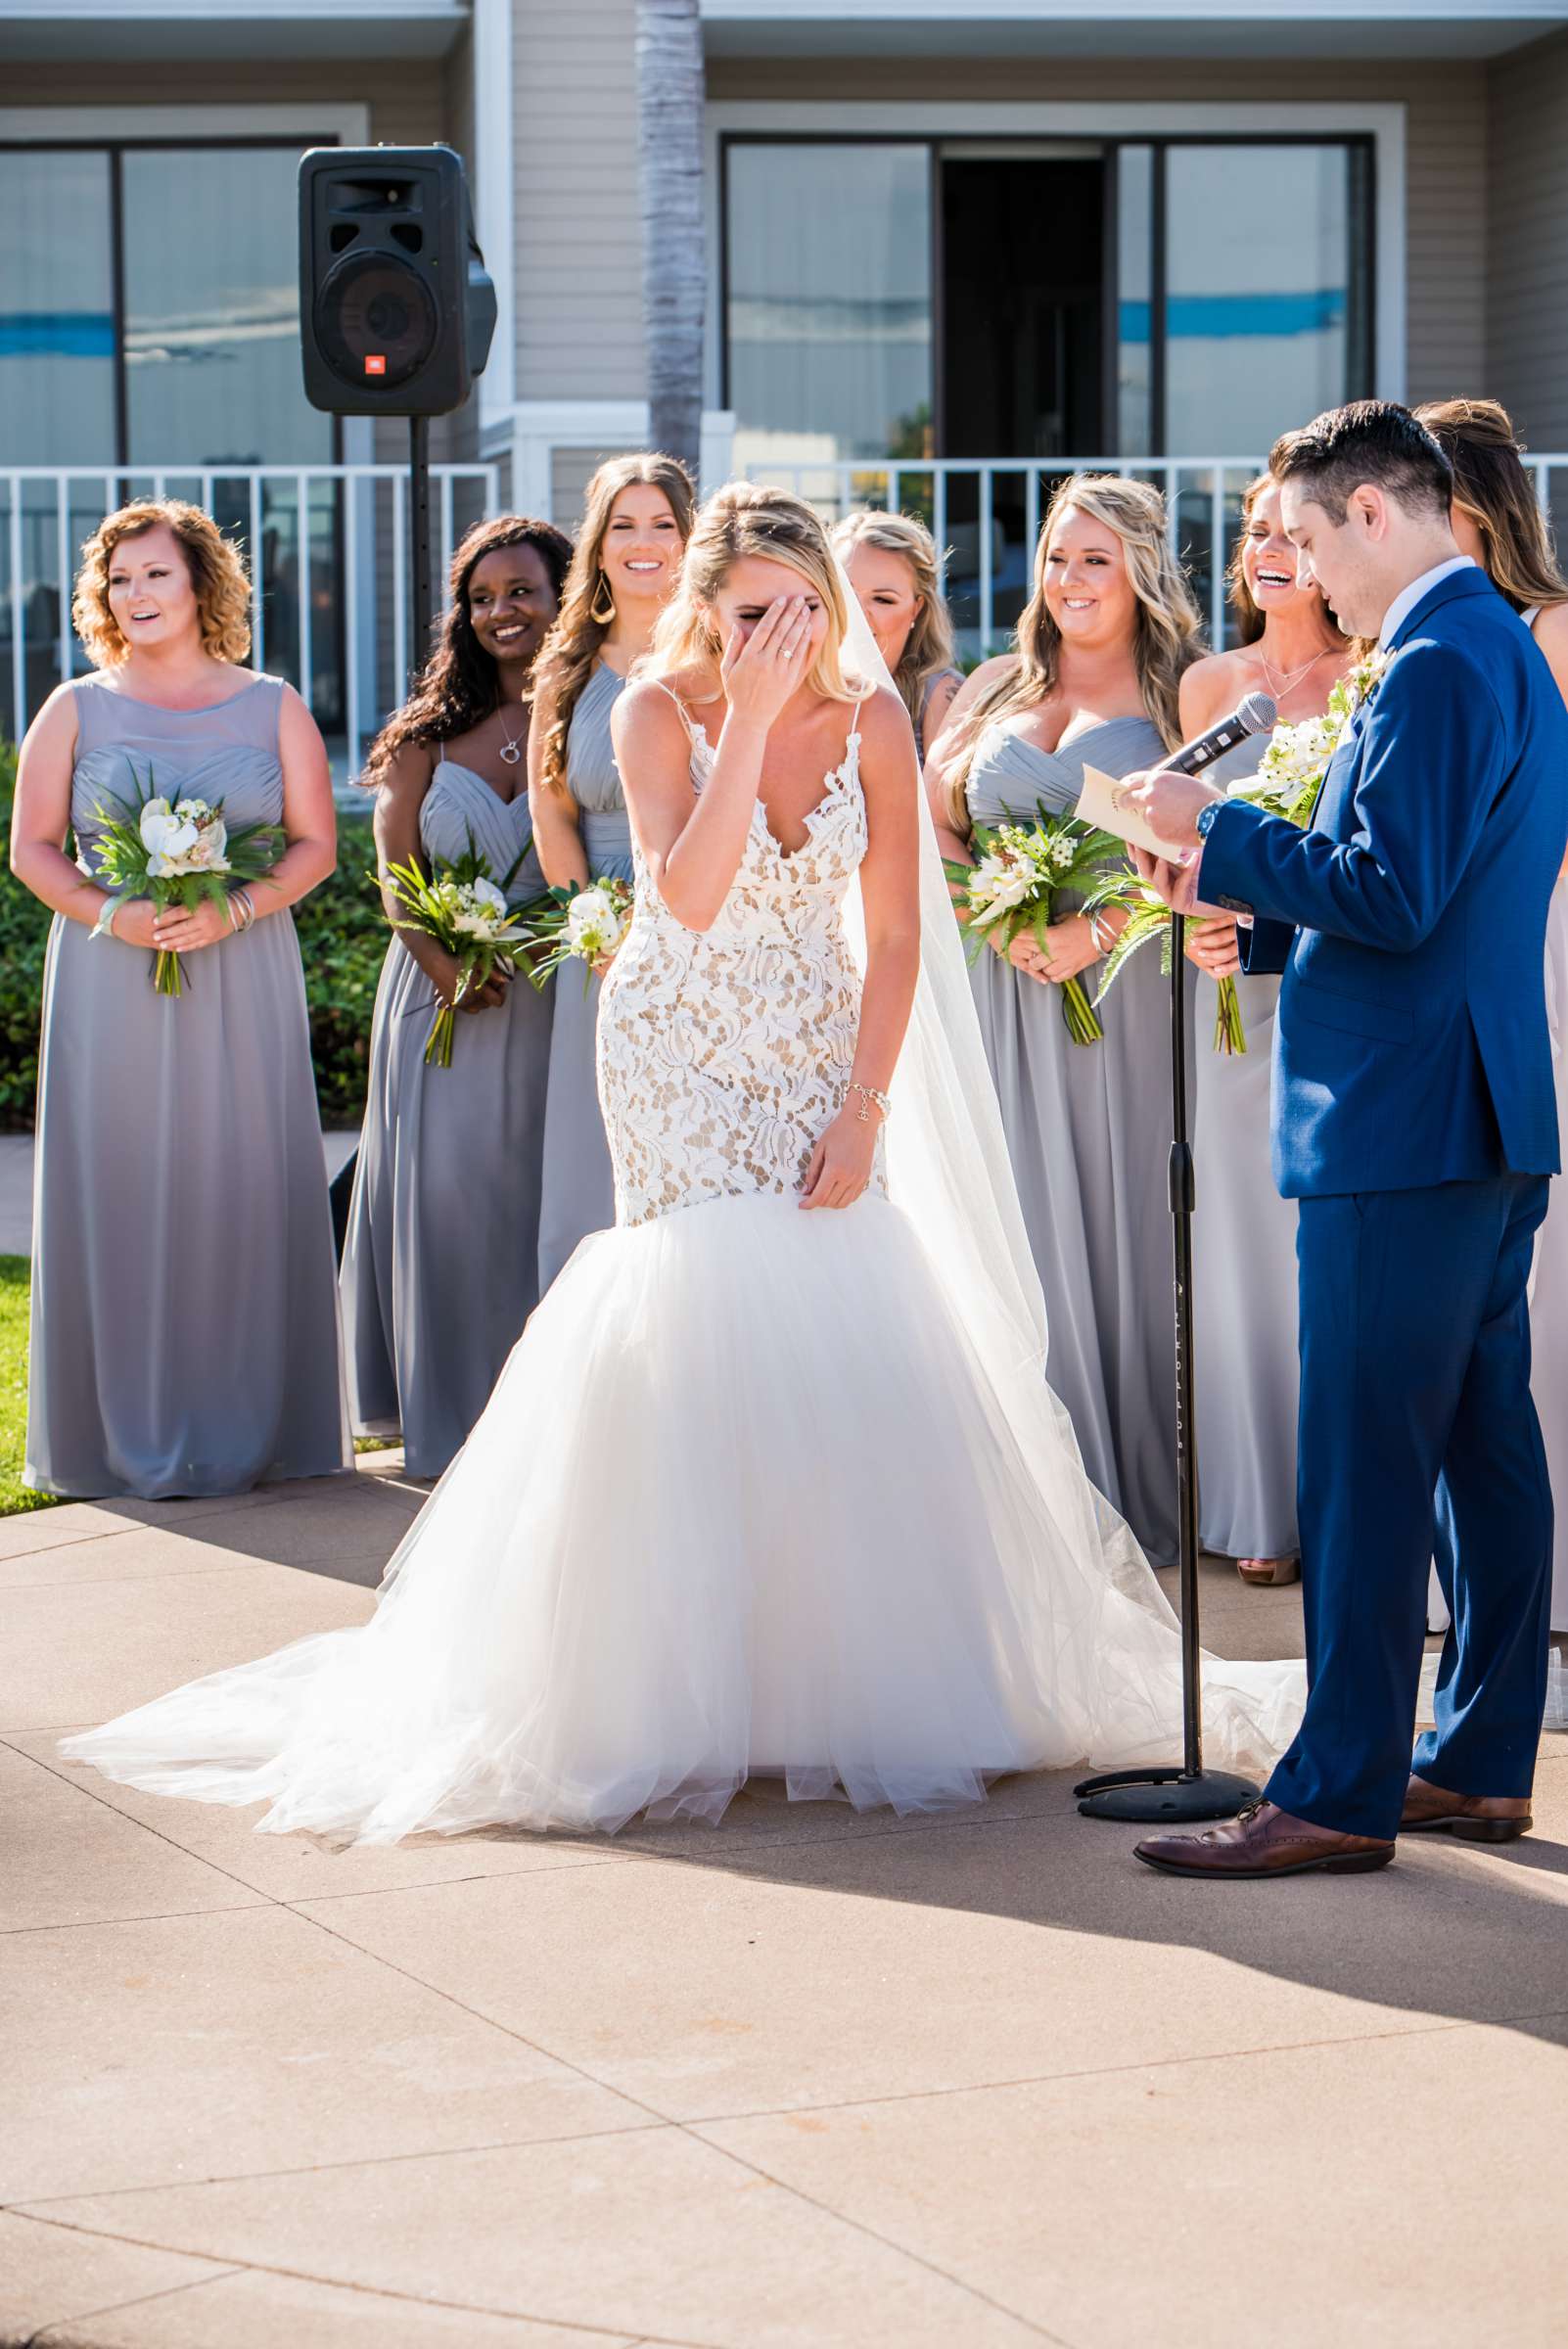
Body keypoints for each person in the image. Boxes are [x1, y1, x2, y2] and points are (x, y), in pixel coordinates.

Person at [58, 482, 1298, 1846]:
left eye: (808, 612)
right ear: (707, 606)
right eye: (758, 612)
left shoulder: (877, 717)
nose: (786, 636)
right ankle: (672, 1679)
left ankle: (828, 1667)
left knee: (837, 1305)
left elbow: (893, 938)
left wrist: (867, 1106)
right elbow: (689, 902)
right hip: (677, 1048)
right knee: (699, 1308)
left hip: (822, 1037)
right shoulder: (652, 712)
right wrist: (748, 726)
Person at [1127, 400, 1568, 1878]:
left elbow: (1389, 891)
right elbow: (1423, 895)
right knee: (1475, 1445)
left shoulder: (1440, 656)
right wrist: (1251, 921)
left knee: (1364, 1467)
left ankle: (1331, 1791)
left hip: (1405, 1117)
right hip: (1472, 1100)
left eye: (1308, 539)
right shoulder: (1487, 642)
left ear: (1370, 514)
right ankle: (1476, 1760)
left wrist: (1215, 828)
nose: (1302, 571)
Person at [12, 499, 347, 1498]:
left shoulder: (274, 704)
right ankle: (119, 1432)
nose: (136, 594)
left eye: (156, 574)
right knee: (119, 1183)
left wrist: (233, 912)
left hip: (239, 969)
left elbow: (316, 846)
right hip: (112, 973)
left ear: (202, 584)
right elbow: (31, 848)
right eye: (120, 580)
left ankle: (252, 1422)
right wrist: (111, 917)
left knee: (237, 1183)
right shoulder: (73, 706)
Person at [925, 475, 1203, 1568]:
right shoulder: (993, 684)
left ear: (1140, 570)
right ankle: (1019, 1484)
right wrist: (989, 919)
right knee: (1010, 1220)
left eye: (1096, 559)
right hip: (1003, 989)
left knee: (1116, 1219)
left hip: (1124, 984)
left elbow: (1202, 833)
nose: (1072, 580)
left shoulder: (1183, 693)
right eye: (1057, 558)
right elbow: (931, 822)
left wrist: (1098, 930)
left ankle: (1121, 1479)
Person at [339, 516, 573, 1480]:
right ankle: (451, 1419)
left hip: (561, 995)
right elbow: (395, 880)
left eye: (520, 590)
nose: (500, 613)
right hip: (444, 997)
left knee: (541, 1204)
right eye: (480, 598)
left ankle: (551, 1423)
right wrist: (447, 966)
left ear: (567, 594)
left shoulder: (601, 715)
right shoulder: (423, 740)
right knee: (448, 1202)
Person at [1179, 475, 1355, 1589]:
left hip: (1336, 978)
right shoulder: (1211, 682)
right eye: (1253, 537)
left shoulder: (1368, 677)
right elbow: (1166, 823)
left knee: (1319, 1249)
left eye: (1289, 535)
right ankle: (1256, 1505)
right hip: (1226, 995)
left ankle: (1334, 1497)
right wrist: (1193, 908)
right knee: (1238, 1234)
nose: (1268, 553)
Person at [1414, 397, 1568, 1637]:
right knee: (1475, 1371)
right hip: (1467, 971)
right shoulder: (1421, 646)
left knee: (1504, 1355)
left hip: (1524, 957)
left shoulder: (1535, 633)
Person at [528, 454, 695, 1289]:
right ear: (597, 547)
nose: (644, 543)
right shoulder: (564, 672)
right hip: (601, 947)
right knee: (596, 1155)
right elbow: (551, 809)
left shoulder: (720, 654)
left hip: (707, 936)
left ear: (690, 538)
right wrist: (591, 924)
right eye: (624, 525)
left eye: (662, 523)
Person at [833, 508, 963, 760]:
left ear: (916, 609)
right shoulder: (790, 684)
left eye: (882, 599)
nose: (858, 614)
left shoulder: (940, 695)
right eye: (846, 595)